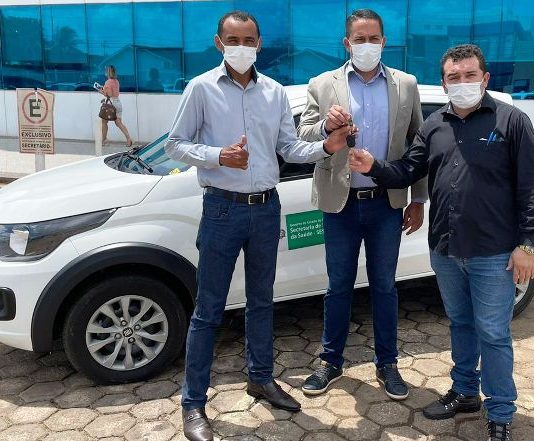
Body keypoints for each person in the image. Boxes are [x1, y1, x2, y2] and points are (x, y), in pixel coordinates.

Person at [164, 11, 354, 441]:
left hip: (266, 209)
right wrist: (218, 156)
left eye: (249, 40)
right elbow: (175, 144)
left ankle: (261, 378)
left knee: (262, 301)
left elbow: (289, 147)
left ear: (259, 43)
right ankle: (193, 403)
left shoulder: (273, 92)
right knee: (209, 309)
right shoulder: (201, 88)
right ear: (219, 43)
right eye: (233, 40)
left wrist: (327, 146)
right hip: (222, 208)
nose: (241, 47)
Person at [349, 44, 534, 441]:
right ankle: (465, 392)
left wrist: (528, 245)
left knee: (494, 333)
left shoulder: (513, 122)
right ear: (444, 82)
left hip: (494, 252)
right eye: (454, 77)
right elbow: (408, 170)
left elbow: (530, 188)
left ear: (485, 78)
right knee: (461, 323)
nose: (462, 82)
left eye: (470, 75)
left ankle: (501, 412)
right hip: (446, 249)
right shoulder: (434, 125)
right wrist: (374, 167)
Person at [297, 8, 427, 401]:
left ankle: (387, 363)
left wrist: (418, 198)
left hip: (387, 204)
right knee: (338, 286)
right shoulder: (322, 84)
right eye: (359, 38)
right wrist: (326, 127)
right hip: (341, 204)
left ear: (384, 41)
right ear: (347, 43)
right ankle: (331, 361)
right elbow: (303, 134)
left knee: (384, 286)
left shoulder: (406, 84)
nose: (366, 45)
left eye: (373, 38)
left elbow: (418, 145)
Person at [99, 65, 133, 147]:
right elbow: (114, 93)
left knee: (104, 122)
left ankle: (104, 140)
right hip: (118, 103)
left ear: (108, 72)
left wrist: (101, 92)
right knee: (119, 123)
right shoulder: (116, 81)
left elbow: (110, 95)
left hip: (111, 104)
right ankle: (128, 139)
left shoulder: (108, 82)